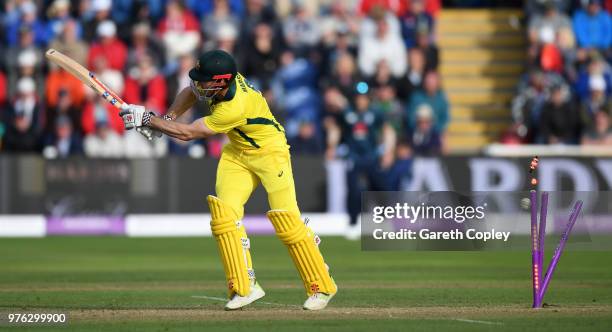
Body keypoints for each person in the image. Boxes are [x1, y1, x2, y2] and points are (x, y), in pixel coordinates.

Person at [119, 50, 337, 311]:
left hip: (271, 154)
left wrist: (147, 120)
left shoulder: (234, 106)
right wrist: (165, 120)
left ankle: (322, 285)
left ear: (221, 81)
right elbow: (190, 92)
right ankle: (244, 288)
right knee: (224, 216)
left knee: (287, 220)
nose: (199, 84)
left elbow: (189, 133)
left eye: (205, 80)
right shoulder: (217, 83)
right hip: (237, 153)